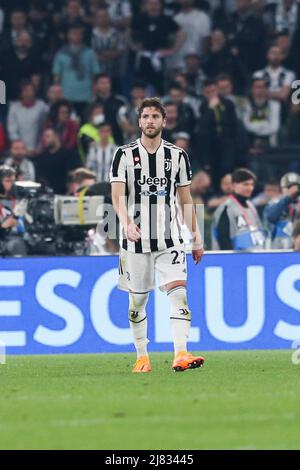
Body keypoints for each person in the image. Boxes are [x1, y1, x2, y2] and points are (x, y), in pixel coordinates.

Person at [110, 97, 205, 373]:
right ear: (139, 121)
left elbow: (186, 200)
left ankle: (181, 353)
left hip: (170, 239)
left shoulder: (177, 156)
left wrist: (196, 238)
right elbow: (117, 196)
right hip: (135, 243)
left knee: (178, 294)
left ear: (164, 121)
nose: (150, 121)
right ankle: (142, 356)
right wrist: (126, 222)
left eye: (155, 116)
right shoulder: (123, 155)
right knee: (138, 301)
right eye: (146, 116)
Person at [52, 24, 100, 118]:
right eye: (74, 33)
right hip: (67, 95)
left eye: (79, 34)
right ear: (68, 35)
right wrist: (57, 92)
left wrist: (94, 94)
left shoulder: (90, 53)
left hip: (87, 96)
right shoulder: (61, 54)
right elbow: (57, 76)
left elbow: (96, 75)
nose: (77, 36)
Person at [212, 168, 266, 251]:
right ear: (234, 185)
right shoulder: (226, 208)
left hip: (256, 256)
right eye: (245, 184)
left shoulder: (251, 206)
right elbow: (223, 239)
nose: (250, 188)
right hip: (235, 259)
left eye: (252, 185)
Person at [7, 81, 48, 156]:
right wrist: (20, 149)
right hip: (19, 151)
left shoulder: (42, 106)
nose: (28, 93)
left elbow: (46, 126)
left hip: (38, 150)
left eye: (30, 90)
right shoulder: (14, 107)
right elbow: (12, 130)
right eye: (25, 90)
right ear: (21, 93)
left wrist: (40, 147)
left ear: (34, 92)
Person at [264, 172, 300, 249]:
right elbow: (271, 217)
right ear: (282, 189)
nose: (293, 190)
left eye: (296, 187)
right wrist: (288, 198)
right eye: (289, 187)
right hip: (277, 248)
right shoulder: (274, 202)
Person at [0, 165, 27, 256]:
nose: (11, 184)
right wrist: (3, 227)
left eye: (13, 181)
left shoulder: (19, 201)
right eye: (8, 181)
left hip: (19, 237)